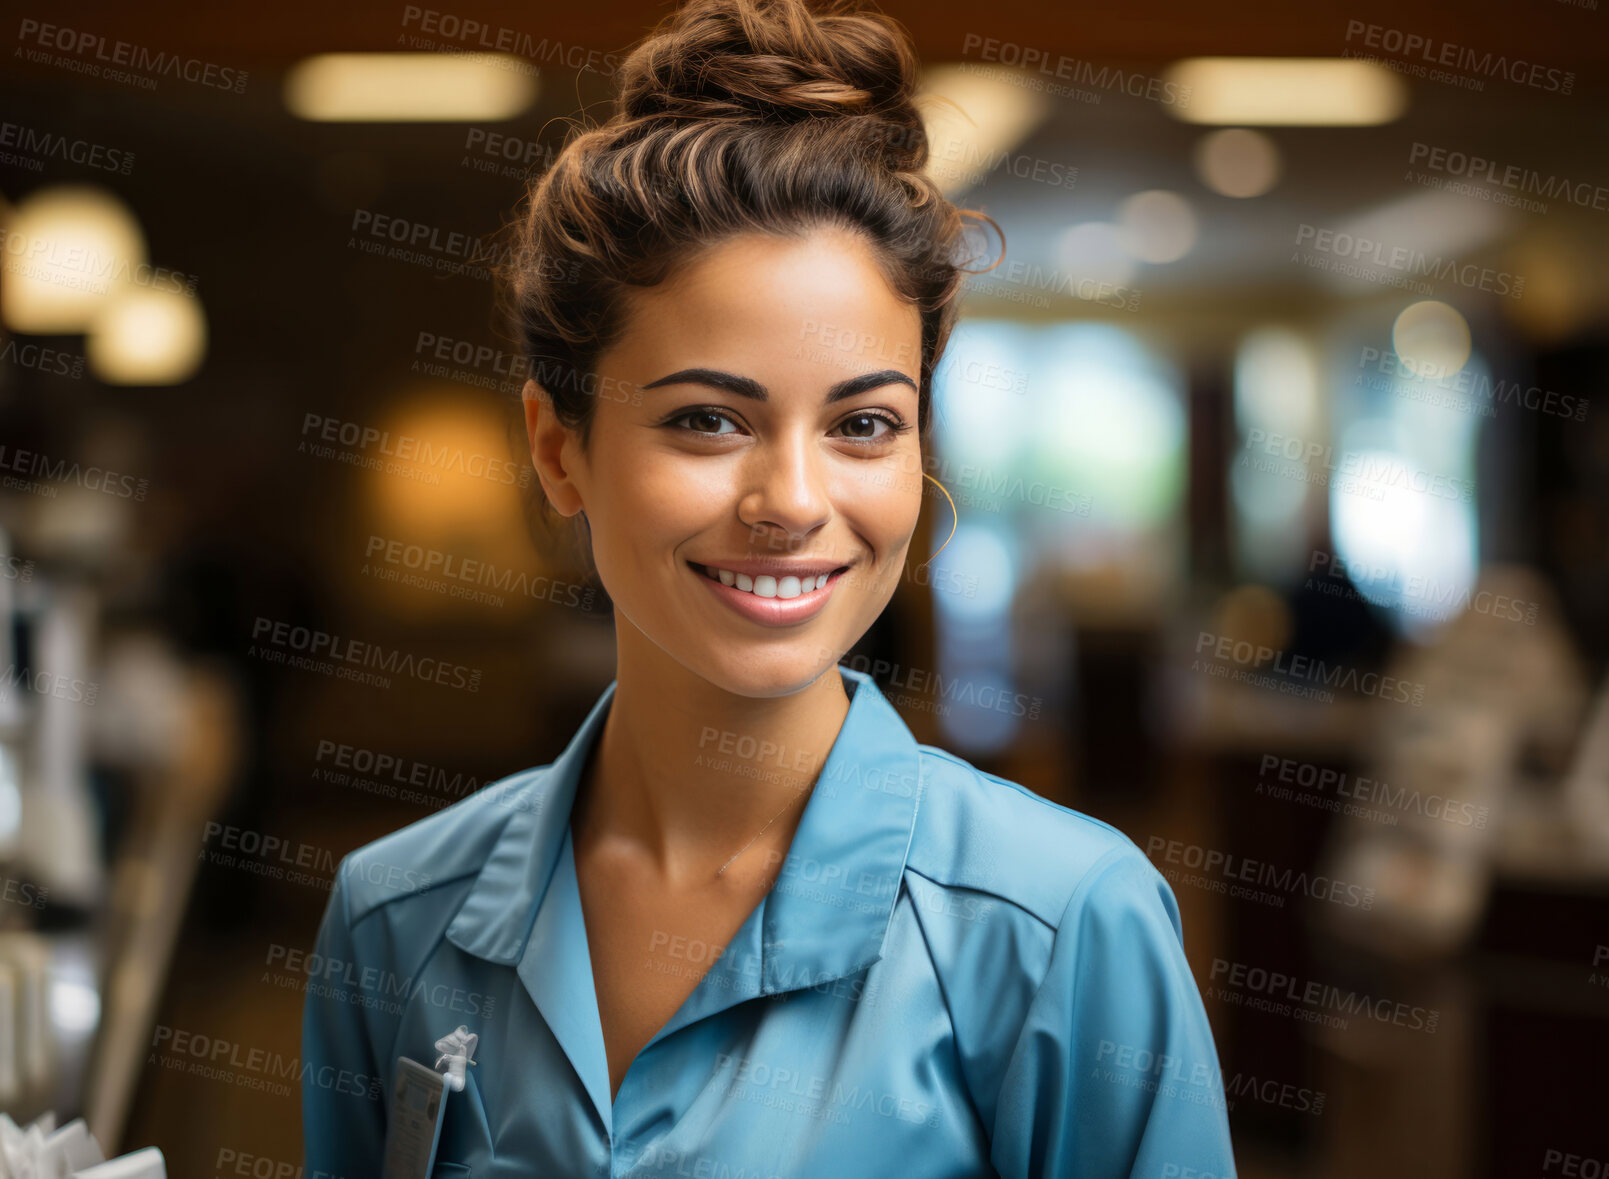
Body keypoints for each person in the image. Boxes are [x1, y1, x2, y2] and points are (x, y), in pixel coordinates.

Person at [301, 0, 1238, 1174]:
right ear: (558, 450)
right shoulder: (393, 921)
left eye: (862, 423)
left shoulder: (1061, 925)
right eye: (706, 419)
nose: (792, 500)